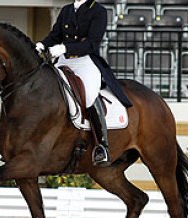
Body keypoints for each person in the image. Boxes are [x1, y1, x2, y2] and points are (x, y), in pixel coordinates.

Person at [35, 0, 132, 167]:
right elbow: (55, 35)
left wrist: (65, 48)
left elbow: (92, 43)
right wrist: (42, 44)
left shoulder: (98, 11)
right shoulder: (66, 10)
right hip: (63, 61)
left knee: (88, 96)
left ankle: (102, 145)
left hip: (85, 61)